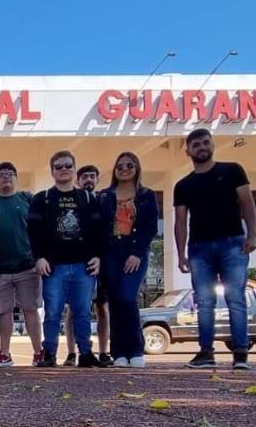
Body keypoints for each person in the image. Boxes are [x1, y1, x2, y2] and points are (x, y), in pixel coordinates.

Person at [174, 128, 256, 370]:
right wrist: (181, 254)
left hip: (233, 243)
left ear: (212, 145)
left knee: (236, 299)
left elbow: (247, 202)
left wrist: (252, 235)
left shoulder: (232, 171)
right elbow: (180, 221)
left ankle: (240, 353)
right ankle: (206, 352)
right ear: (188, 150)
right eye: (196, 145)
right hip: (199, 248)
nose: (201, 147)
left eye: (205, 143)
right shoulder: (183, 185)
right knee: (204, 302)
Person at [30, 151, 108, 368]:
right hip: (53, 267)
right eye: (58, 166)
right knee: (52, 312)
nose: (63, 170)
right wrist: (39, 258)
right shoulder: (42, 198)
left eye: (67, 166)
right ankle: (49, 354)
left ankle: (85, 353)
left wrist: (98, 257)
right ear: (52, 171)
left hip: (84, 266)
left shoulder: (88, 198)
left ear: (74, 169)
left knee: (82, 312)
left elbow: (99, 231)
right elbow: (33, 232)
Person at [100, 152, 158, 367]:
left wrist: (137, 252)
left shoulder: (146, 195)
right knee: (114, 300)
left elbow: (150, 226)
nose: (124, 168)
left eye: (129, 165)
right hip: (110, 251)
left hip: (135, 251)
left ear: (137, 168)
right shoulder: (105, 196)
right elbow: (98, 227)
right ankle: (118, 352)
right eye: (120, 165)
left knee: (127, 297)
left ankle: (135, 349)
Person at [0, 162, 43, 367]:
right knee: (4, 312)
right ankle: (4, 353)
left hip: (27, 266)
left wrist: (39, 257)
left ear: (16, 177)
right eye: (1, 175)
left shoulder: (27, 199)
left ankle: (38, 352)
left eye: (10, 174)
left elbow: (39, 229)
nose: (6, 178)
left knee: (30, 309)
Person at [64, 164, 112, 366]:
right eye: (85, 177)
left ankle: (103, 351)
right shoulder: (71, 201)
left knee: (102, 307)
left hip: (101, 261)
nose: (88, 180)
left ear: (98, 179)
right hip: (77, 262)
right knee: (73, 310)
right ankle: (71, 352)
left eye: (92, 176)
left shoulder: (104, 201)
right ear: (78, 180)